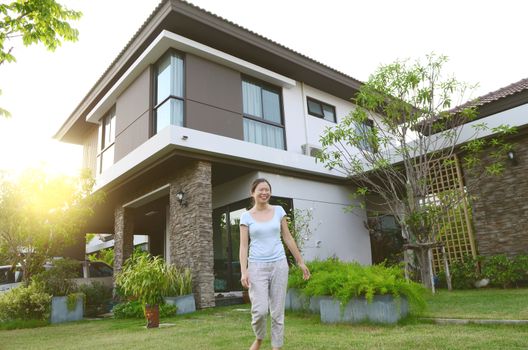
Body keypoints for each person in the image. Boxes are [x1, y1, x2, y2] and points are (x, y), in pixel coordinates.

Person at [239, 178, 310, 350]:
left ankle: (276, 347)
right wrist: (244, 271)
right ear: (253, 193)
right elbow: (243, 245)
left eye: (267, 190)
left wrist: (300, 262)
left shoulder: (278, 211)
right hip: (256, 266)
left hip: (279, 264)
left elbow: (287, 237)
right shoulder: (246, 216)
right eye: (261, 190)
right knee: (260, 310)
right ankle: (259, 337)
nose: (264, 193)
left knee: (278, 312)